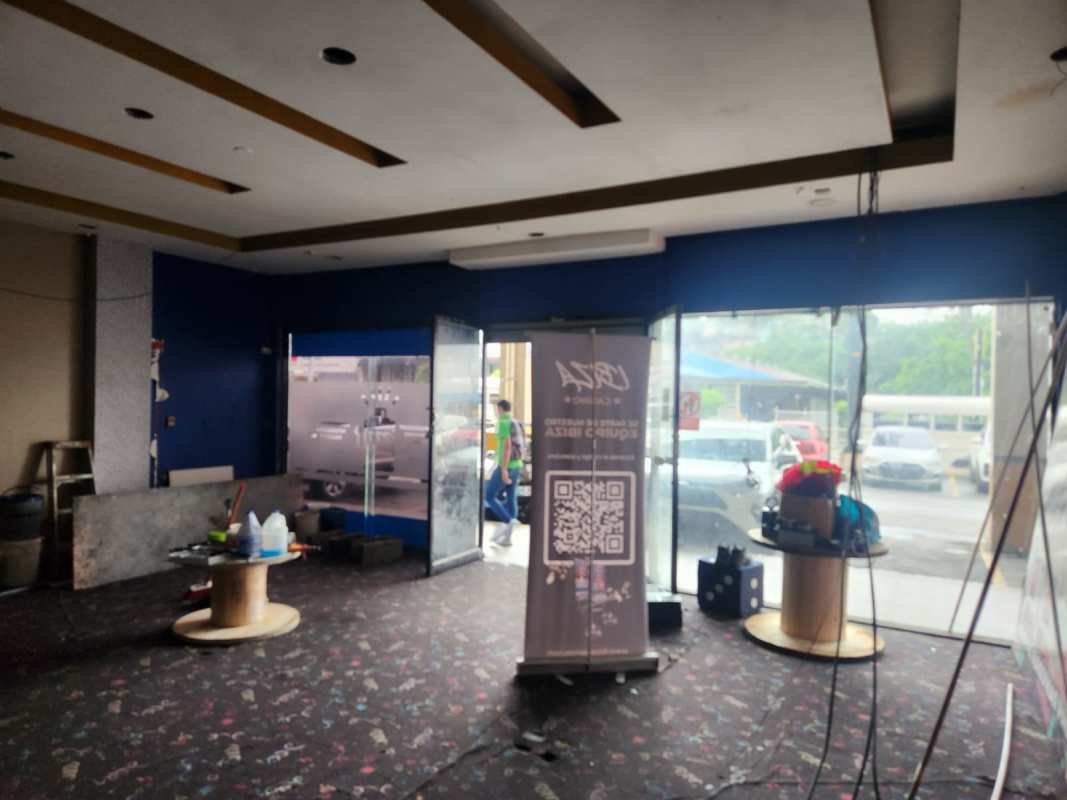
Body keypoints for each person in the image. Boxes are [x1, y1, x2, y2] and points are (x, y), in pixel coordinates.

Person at [486, 399, 524, 546]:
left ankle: (508, 521)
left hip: (506, 466)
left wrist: (503, 470)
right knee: (511, 497)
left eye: (496, 409)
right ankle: (507, 538)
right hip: (517, 465)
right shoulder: (516, 422)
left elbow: (507, 447)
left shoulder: (502, 423)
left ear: (500, 409)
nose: (496, 412)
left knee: (489, 496)